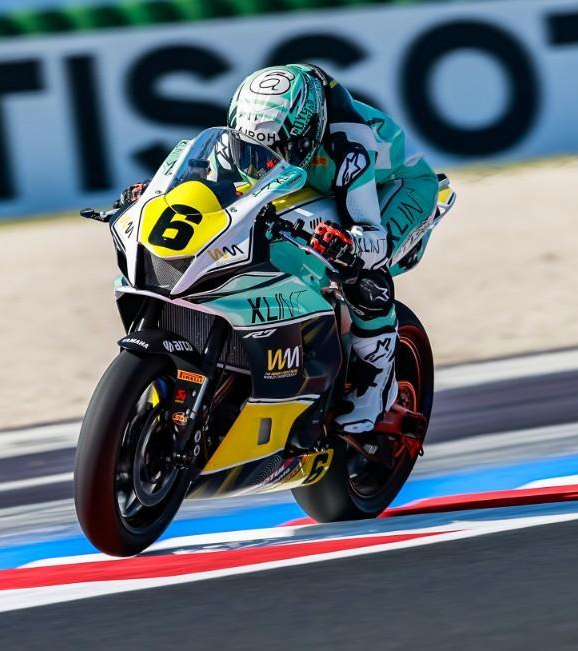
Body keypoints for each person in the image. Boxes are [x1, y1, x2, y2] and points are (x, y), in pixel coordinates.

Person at [118, 64, 440, 433]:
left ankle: (376, 384)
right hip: (307, 179)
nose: (263, 156)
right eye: (254, 147)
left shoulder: (350, 148)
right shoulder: (247, 134)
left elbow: (370, 239)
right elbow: (205, 179)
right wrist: (151, 193)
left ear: (309, 131)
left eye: (277, 148)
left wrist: (348, 243)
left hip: (397, 187)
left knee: (362, 273)